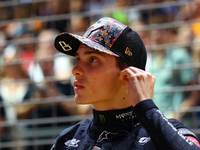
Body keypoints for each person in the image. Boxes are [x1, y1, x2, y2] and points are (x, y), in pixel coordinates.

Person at [51, 17, 200, 150]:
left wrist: (146, 107)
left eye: (93, 60)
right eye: (78, 59)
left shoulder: (165, 133)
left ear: (128, 75)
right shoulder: (67, 140)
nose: (75, 70)